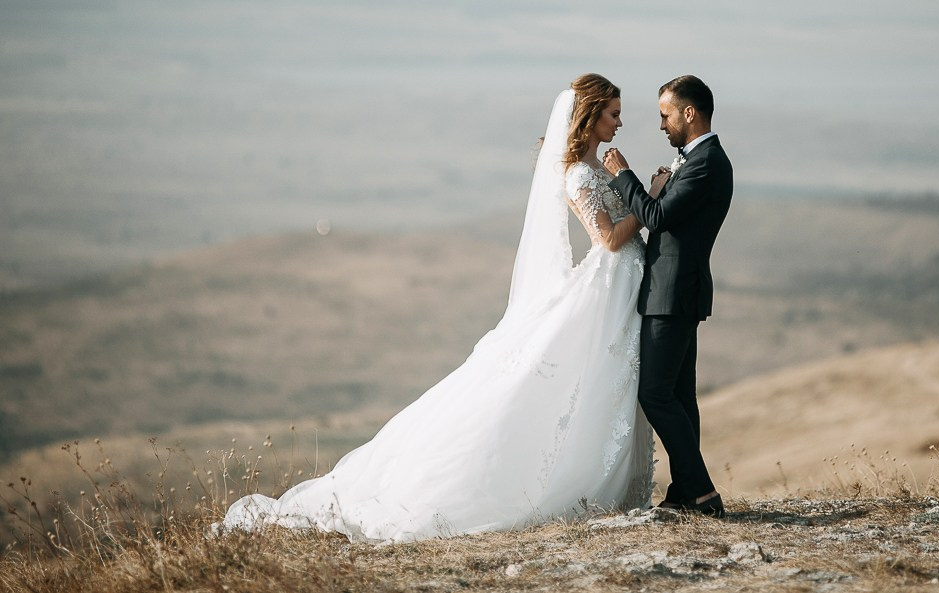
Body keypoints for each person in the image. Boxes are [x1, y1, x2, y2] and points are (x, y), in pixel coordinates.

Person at [220, 74, 658, 543]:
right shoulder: (577, 174)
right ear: (590, 117)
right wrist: (645, 194)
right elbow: (608, 239)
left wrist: (625, 181)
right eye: (613, 113)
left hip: (620, 289)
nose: (620, 122)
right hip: (605, 287)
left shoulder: (604, 169)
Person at [603, 75, 733, 517]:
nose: (662, 125)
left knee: (656, 394)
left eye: (665, 114)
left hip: (672, 293)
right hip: (674, 291)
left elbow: (656, 216)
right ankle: (683, 493)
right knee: (679, 396)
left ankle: (701, 493)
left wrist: (624, 176)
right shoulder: (696, 160)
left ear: (689, 113)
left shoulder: (707, 162)